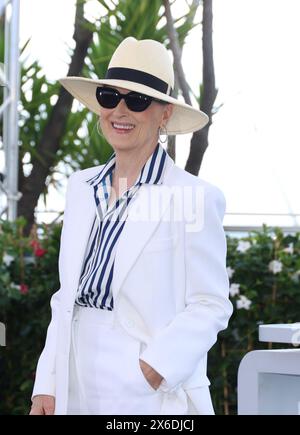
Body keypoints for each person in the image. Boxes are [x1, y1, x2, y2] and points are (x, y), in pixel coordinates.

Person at [30, 36, 233, 415]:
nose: (119, 111)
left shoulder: (194, 196)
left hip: (147, 385)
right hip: (74, 371)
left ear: (165, 114)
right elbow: (65, 297)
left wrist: (155, 367)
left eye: (137, 101)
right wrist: (47, 383)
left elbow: (211, 303)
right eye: (110, 97)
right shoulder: (80, 186)